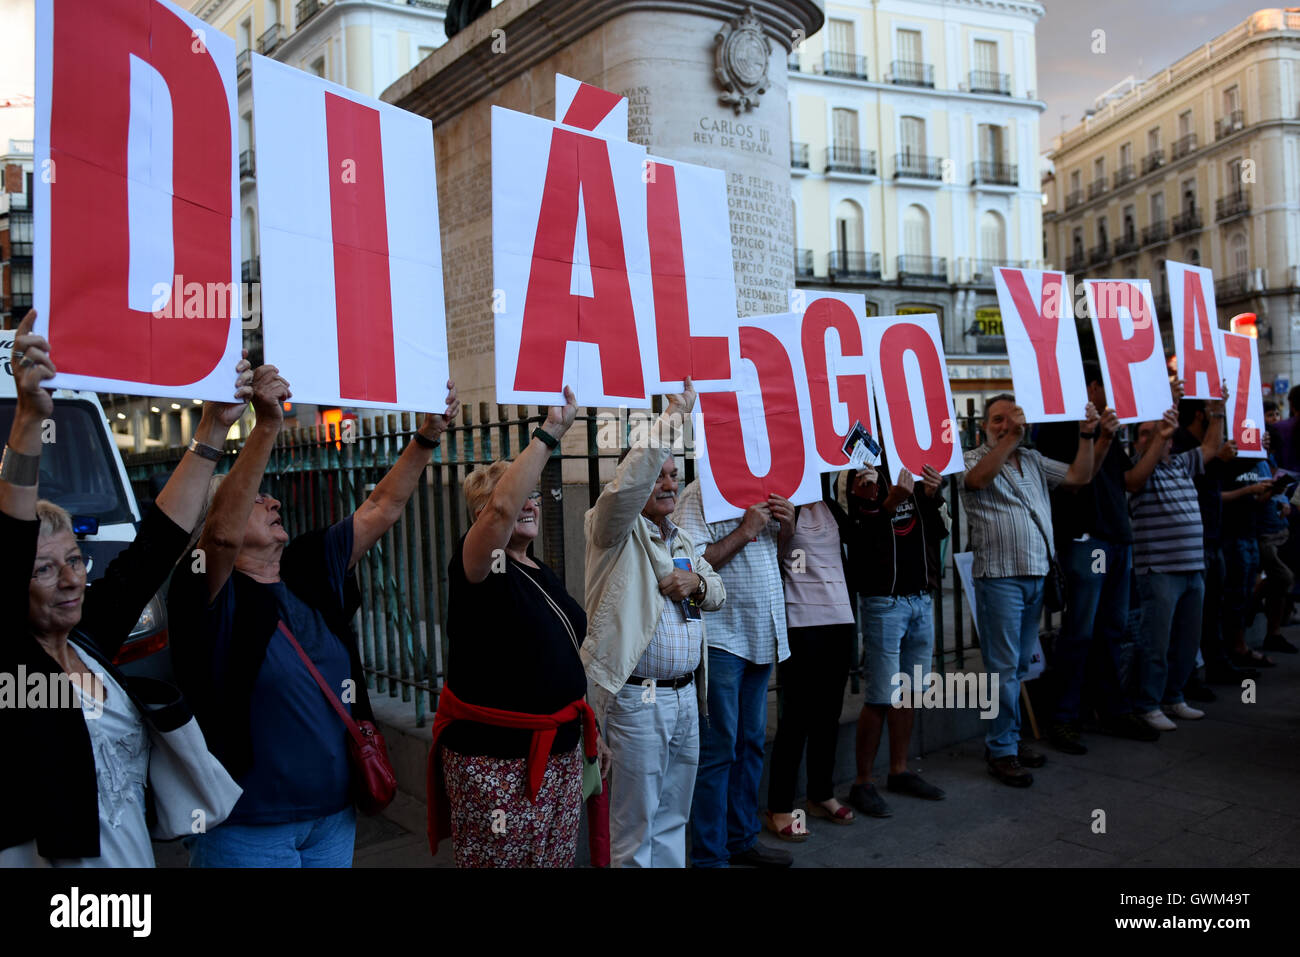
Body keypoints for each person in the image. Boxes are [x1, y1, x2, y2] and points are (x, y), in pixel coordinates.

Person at [168, 367, 460, 867]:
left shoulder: (307, 568)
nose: (272, 499)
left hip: (332, 819)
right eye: (256, 498)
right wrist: (266, 427)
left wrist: (427, 437)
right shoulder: (207, 592)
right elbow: (219, 537)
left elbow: (382, 507)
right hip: (249, 828)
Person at [1, 310, 251, 865]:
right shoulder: (14, 668)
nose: (72, 579)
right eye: (44, 569)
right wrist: (27, 420)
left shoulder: (88, 643)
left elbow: (153, 548)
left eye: (74, 560)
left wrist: (212, 431)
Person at [426, 385, 609, 868]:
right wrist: (550, 431)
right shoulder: (478, 566)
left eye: (534, 495)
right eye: (518, 495)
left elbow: (565, 653)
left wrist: (590, 732)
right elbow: (502, 511)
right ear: (482, 515)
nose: (529, 504)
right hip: (499, 765)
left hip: (562, 756)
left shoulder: (539, 569)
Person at [582, 379, 727, 867]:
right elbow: (626, 488)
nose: (668, 484)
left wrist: (698, 586)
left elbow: (718, 592)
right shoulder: (611, 530)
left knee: (671, 823)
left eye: (673, 475)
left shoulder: (682, 539)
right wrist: (673, 419)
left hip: (687, 697)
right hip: (639, 702)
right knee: (634, 830)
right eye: (658, 476)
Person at [962, 394, 1098, 787]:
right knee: (1003, 670)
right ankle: (1002, 750)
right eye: (997, 420)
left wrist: (1088, 436)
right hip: (1000, 578)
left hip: (1036, 575)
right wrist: (1009, 441)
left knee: (1018, 666)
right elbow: (976, 481)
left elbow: (1079, 476)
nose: (1005, 425)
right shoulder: (973, 459)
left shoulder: (1034, 461)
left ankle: (1006, 740)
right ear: (984, 427)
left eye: (1012, 419)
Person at [1035, 362, 1159, 753]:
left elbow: (1131, 482)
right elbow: (1077, 480)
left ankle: (1112, 708)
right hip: (1087, 541)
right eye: (1107, 385)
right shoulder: (1059, 426)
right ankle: (1065, 717)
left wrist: (1160, 439)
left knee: (1112, 630)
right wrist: (1099, 439)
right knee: (1081, 631)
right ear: (1090, 387)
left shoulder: (1110, 426)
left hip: (1117, 540)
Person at [674, 478, 795, 867]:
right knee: (719, 750)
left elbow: (777, 556)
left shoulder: (772, 487)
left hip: (761, 634)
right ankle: (710, 856)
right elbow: (688, 565)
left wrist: (787, 527)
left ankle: (742, 840)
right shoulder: (698, 493)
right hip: (724, 639)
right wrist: (745, 531)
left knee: (750, 744)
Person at [841, 458, 948, 817]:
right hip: (884, 600)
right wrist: (888, 502)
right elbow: (860, 540)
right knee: (881, 695)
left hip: (920, 595)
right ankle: (862, 782)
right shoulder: (861, 471)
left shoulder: (918, 466)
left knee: (912, 689)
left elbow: (937, 533)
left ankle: (899, 770)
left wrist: (932, 496)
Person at [763, 477, 858, 838]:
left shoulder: (829, 503)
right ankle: (780, 806)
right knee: (797, 716)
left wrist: (866, 497)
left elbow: (855, 542)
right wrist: (787, 525)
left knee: (828, 714)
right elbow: (773, 554)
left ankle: (821, 794)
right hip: (802, 622)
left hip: (839, 619)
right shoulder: (783, 501)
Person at [1125, 390, 1225, 731]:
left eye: (1160, 431)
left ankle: (1173, 696)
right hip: (1160, 572)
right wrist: (1160, 436)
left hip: (1192, 569)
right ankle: (1148, 703)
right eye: (1145, 433)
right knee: (1157, 643)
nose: (1155, 436)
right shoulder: (1137, 470)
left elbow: (1211, 448)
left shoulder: (1181, 462)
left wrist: (1218, 412)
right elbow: (1135, 481)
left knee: (1186, 642)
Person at [1173, 400, 1262, 685]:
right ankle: (1187, 678)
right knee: (1193, 614)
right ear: (1202, 415)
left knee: (1215, 606)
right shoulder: (1182, 444)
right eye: (1218, 414)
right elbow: (1192, 481)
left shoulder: (1210, 448)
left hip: (1213, 535)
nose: (1222, 422)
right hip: (1192, 539)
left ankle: (1217, 663)